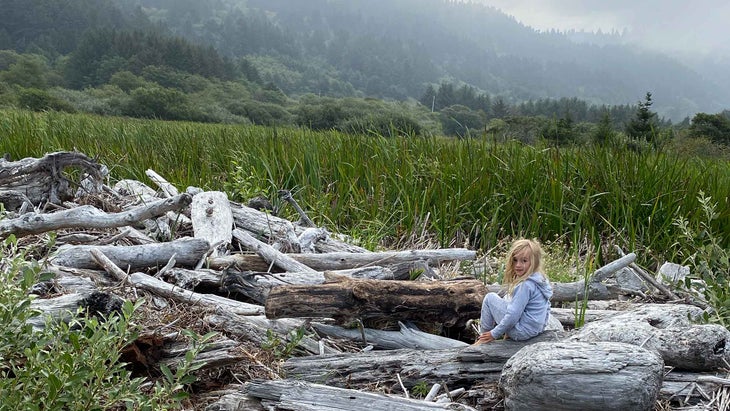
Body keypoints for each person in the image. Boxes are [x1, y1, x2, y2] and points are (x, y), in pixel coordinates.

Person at [475, 238, 552, 344]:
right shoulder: (540, 279)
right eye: (515, 260)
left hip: (521, 332)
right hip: (535, 330)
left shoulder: (525, 285)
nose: (518, 265)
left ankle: (483, 338)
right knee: (508, 298)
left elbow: (513, 316)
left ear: (534, 262)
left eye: (524, 261)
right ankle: (501, 335)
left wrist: (494, 334)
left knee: (490, 298)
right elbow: (546, 306)